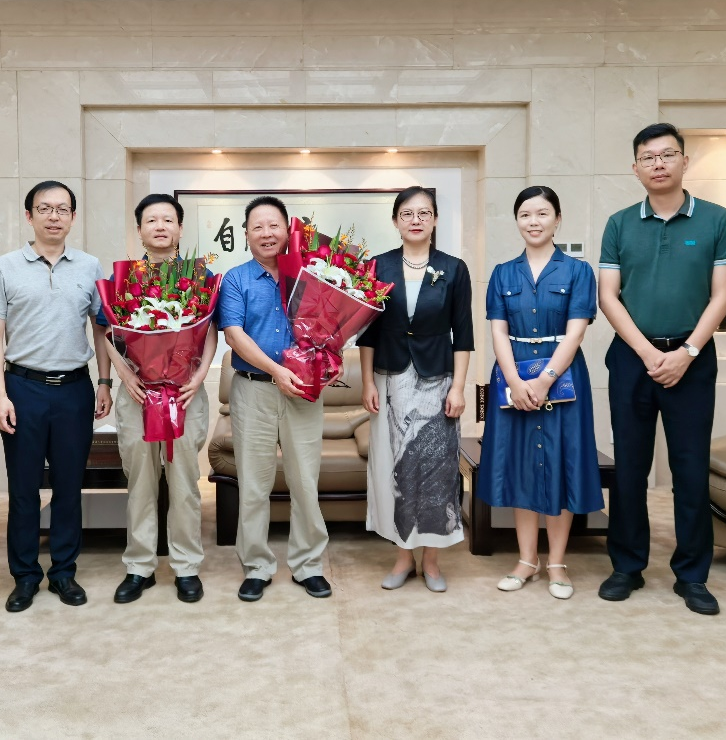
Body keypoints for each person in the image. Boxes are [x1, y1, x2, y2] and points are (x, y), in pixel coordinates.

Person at [598, 123, 726, 615]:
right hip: (632, 358)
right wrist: (646, 353)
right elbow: (609, 297)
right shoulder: (619, 223)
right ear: (635, 167)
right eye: (648, 157)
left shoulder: (717, 219)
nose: (658, 164)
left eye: (667, 154)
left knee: (690, 469)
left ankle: (693, 575)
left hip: (693, 360)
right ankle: (627, 566)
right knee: (630, 467)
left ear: (684, 160)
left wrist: (687, 352)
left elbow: (722, 296)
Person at [0, 180, 113, 613]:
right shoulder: (4, 267)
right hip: (22, 388)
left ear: (73, 217)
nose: (54, 216)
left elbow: (101, 329)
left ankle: (63, 573)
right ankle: (24, 576)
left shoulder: (90, 266)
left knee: (69, 487)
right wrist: (0, 395)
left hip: (75, 388)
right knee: (23, 490)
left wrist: (104, 382)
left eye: (62, 209)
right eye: (44, 208)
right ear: (29, 216)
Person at [478, 186, 603, 600]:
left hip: (563, 378)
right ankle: (526, 560)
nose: (533, 221)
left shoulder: (578, 272)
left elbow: (576, 331)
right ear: (517, 221)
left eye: (542, 213)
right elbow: (498, 331)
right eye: (525, 214)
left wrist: (546, 378)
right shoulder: (503, 273)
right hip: (512, 376)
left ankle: (557, 563)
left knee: (560, 462)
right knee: (521, 464)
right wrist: (514, 381)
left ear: (557, 219)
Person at [97, 193, 217, 604]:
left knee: (184, 484)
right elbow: (106, 331)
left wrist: (199, 376)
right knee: (140, 483)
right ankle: (139, 566)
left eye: (168, 219)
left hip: (185, 395)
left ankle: (186, 566)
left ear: (180, 228)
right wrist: (123, 374)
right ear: (140, 229)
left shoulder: (199, 275)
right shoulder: (124, 277)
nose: (160, 226)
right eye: (152, 220)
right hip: (137, 395)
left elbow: (211, 330)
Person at [358, 186, 473, 592]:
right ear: (395, 221)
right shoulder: (377, 266)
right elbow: (367, 332)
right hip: (389, 378)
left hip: (438, 380)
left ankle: (433, 560)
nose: (416, 220)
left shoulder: (453, 268)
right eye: (407, 213)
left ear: (436, 219)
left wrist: (459, 388)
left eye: (424, 213)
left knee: (437, 469)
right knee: (394, 466)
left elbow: (463, 335)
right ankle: (403, 556)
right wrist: (367, 381)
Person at [217, 196, 332, 602]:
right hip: (253, 390)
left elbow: (333, 325)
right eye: (258, 227)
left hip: (303, 391)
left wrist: (328, 360)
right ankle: (256, 566)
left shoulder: (312, 275)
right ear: (246, 234)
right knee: (253, 484)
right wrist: (277, 370)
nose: (267, 233)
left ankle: (308, 565)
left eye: (274, 225)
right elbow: (234, 336)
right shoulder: (235, 279)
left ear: (288, 230)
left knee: (305, 483)